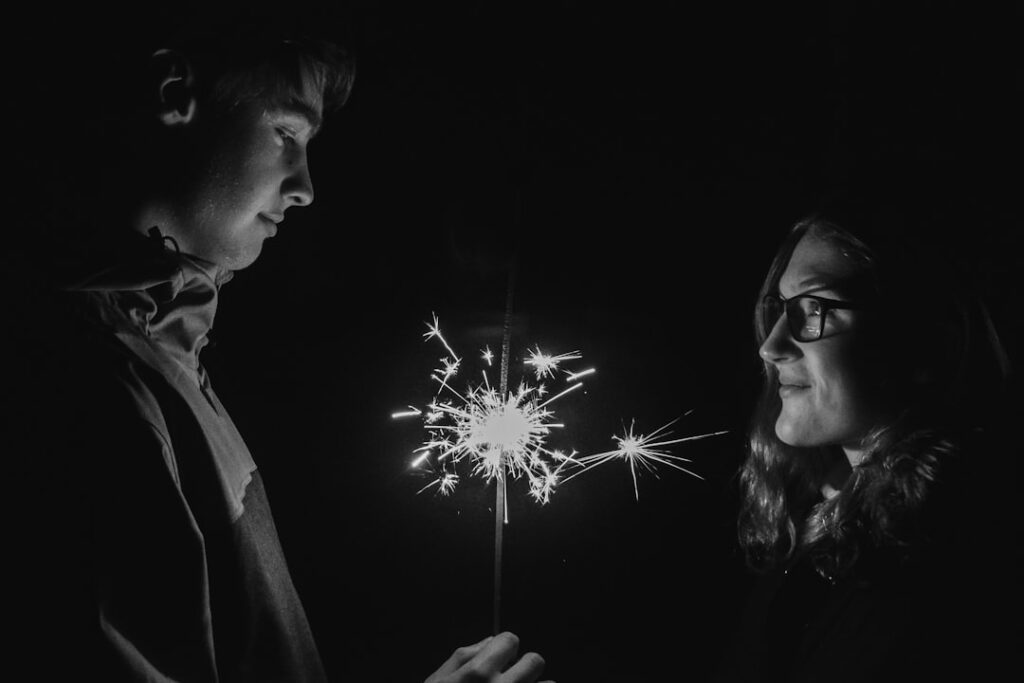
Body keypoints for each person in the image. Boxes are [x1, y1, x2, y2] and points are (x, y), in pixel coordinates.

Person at [5, 17, 549, 683]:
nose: (305, 186)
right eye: (288, 132)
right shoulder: (69, 386)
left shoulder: (172, 361)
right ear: (175, 92)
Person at [715, 204, 1019, 681]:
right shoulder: (810, 524)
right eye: (779, 308)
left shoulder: (966, 568)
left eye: (815, 307)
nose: (771, 346)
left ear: (923, 338)